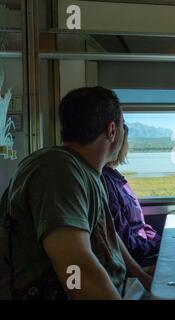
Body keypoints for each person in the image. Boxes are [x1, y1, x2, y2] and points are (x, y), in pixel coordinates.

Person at [0, 87, 151, 299]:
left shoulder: (85, 172)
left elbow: (107, 235)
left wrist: (143, 277)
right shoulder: (57, 171)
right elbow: (74, 268)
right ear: (112, 130)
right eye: (122, 127)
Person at [103, 124, 161, 268]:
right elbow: (124, 241)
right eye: (126, 141)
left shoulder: (116, 178)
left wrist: (157, 240)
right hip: (139, 259)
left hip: (145, 247)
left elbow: (139, 225)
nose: (127, 147)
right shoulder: (106, 182)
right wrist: (154, 245)